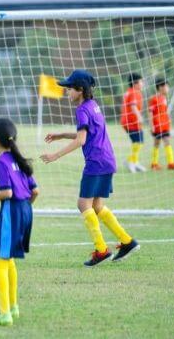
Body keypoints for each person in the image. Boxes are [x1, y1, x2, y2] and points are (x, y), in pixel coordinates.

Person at [41, 70, 140, 267]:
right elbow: (88, 133)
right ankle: (127, 242)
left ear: (80, 90)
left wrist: (54, 155)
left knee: (83, 205)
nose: (66, 92)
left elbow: (82, 140)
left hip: (95, 163)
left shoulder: (81, 110)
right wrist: (61, 135)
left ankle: (101, 250)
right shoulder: (93, 106)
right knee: (96, 206)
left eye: (69, 89)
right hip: (107, 161)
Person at [0, 118, 38, 326]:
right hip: (25, 210)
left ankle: (4, 314)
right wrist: (25, 207)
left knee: (0, 262)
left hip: (12, 211)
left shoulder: (0, 162)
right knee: (9, 259)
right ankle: (12, 307)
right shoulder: (18, 159)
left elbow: (7, 192)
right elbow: (35, 191)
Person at [148, 78, 174, 170]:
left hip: (165, 124)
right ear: (160, 87)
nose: (167, 88)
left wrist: (169, 120)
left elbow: (164, 112)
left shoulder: (164, 98)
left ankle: (170, 163)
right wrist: (151, 125)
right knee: (157, 143)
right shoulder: (154, 99)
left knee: (166, 141)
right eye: (166, 86)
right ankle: (155, 164)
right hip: (157, 125)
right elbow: (150, 112)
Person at [121, 73, 146, 173]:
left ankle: (134, 162)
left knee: (137, 142)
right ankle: (130, 161)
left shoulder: (129, 92)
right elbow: (133, 106)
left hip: (127, 121)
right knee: (139, 142)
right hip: (131, 122)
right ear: (135, 83)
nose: (143, 83)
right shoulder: (134, 92)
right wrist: (139, 117)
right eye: (141, 81)